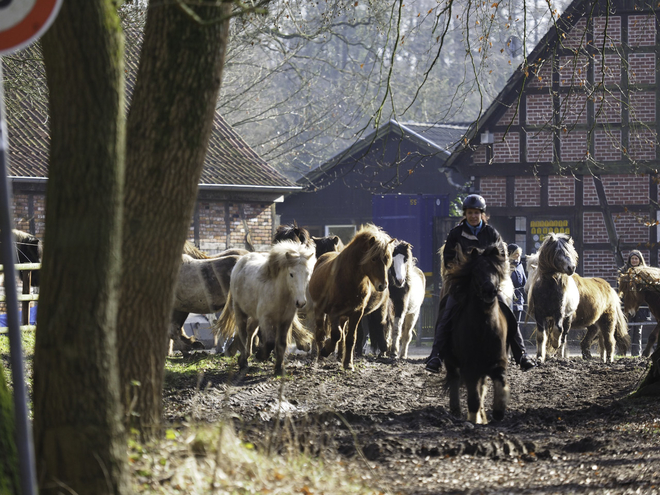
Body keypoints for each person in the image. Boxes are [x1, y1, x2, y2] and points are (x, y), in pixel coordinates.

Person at [425, 194, 536, 373]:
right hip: (462, 284)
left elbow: (501, 258)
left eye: (476, 213)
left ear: (482, 214)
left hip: (487, 284)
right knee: (446, 313)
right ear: (465, 214)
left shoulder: (491, 233)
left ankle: (521, 354)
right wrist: (463, 271)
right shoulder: (455, 234)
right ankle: (435, 355)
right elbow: (448, 260)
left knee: (507, 312)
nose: (473, 216)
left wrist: (492, 274)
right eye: (470, 213)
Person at [624, 250, 650, 357]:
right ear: (629, 260)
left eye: (636, 258)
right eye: (632, 258)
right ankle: (622, 352)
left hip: (640, 305)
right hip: (627, 304)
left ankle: (636, 354)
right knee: (626, 330)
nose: (634, 261)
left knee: (638, 331)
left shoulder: (645, 272)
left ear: (640, 260)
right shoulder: (624, 271)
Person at [508, 243, 527, 323]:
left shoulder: (520, 266)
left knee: (516, 325)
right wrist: (508, 273)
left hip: (518, 300)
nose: (518, 256)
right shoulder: (503, 265)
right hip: (507, 300)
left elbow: (524, 283)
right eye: (516, 254)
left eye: (519, 254)